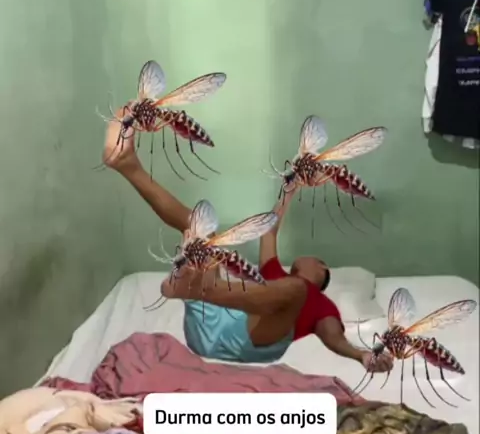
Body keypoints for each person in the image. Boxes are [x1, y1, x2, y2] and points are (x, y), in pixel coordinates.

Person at [102, 111, 393, 373]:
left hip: (255, 340)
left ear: (322, 269)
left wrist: (361, 355)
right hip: (210, 323)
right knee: (199, 228)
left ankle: (199, 289)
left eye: (315, 259)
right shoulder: (273, 274)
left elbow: (333, 337)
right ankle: (127, 164)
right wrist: (289, 188)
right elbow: (269, 231)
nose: (306, 257)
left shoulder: (320, 303)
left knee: (296, 290)